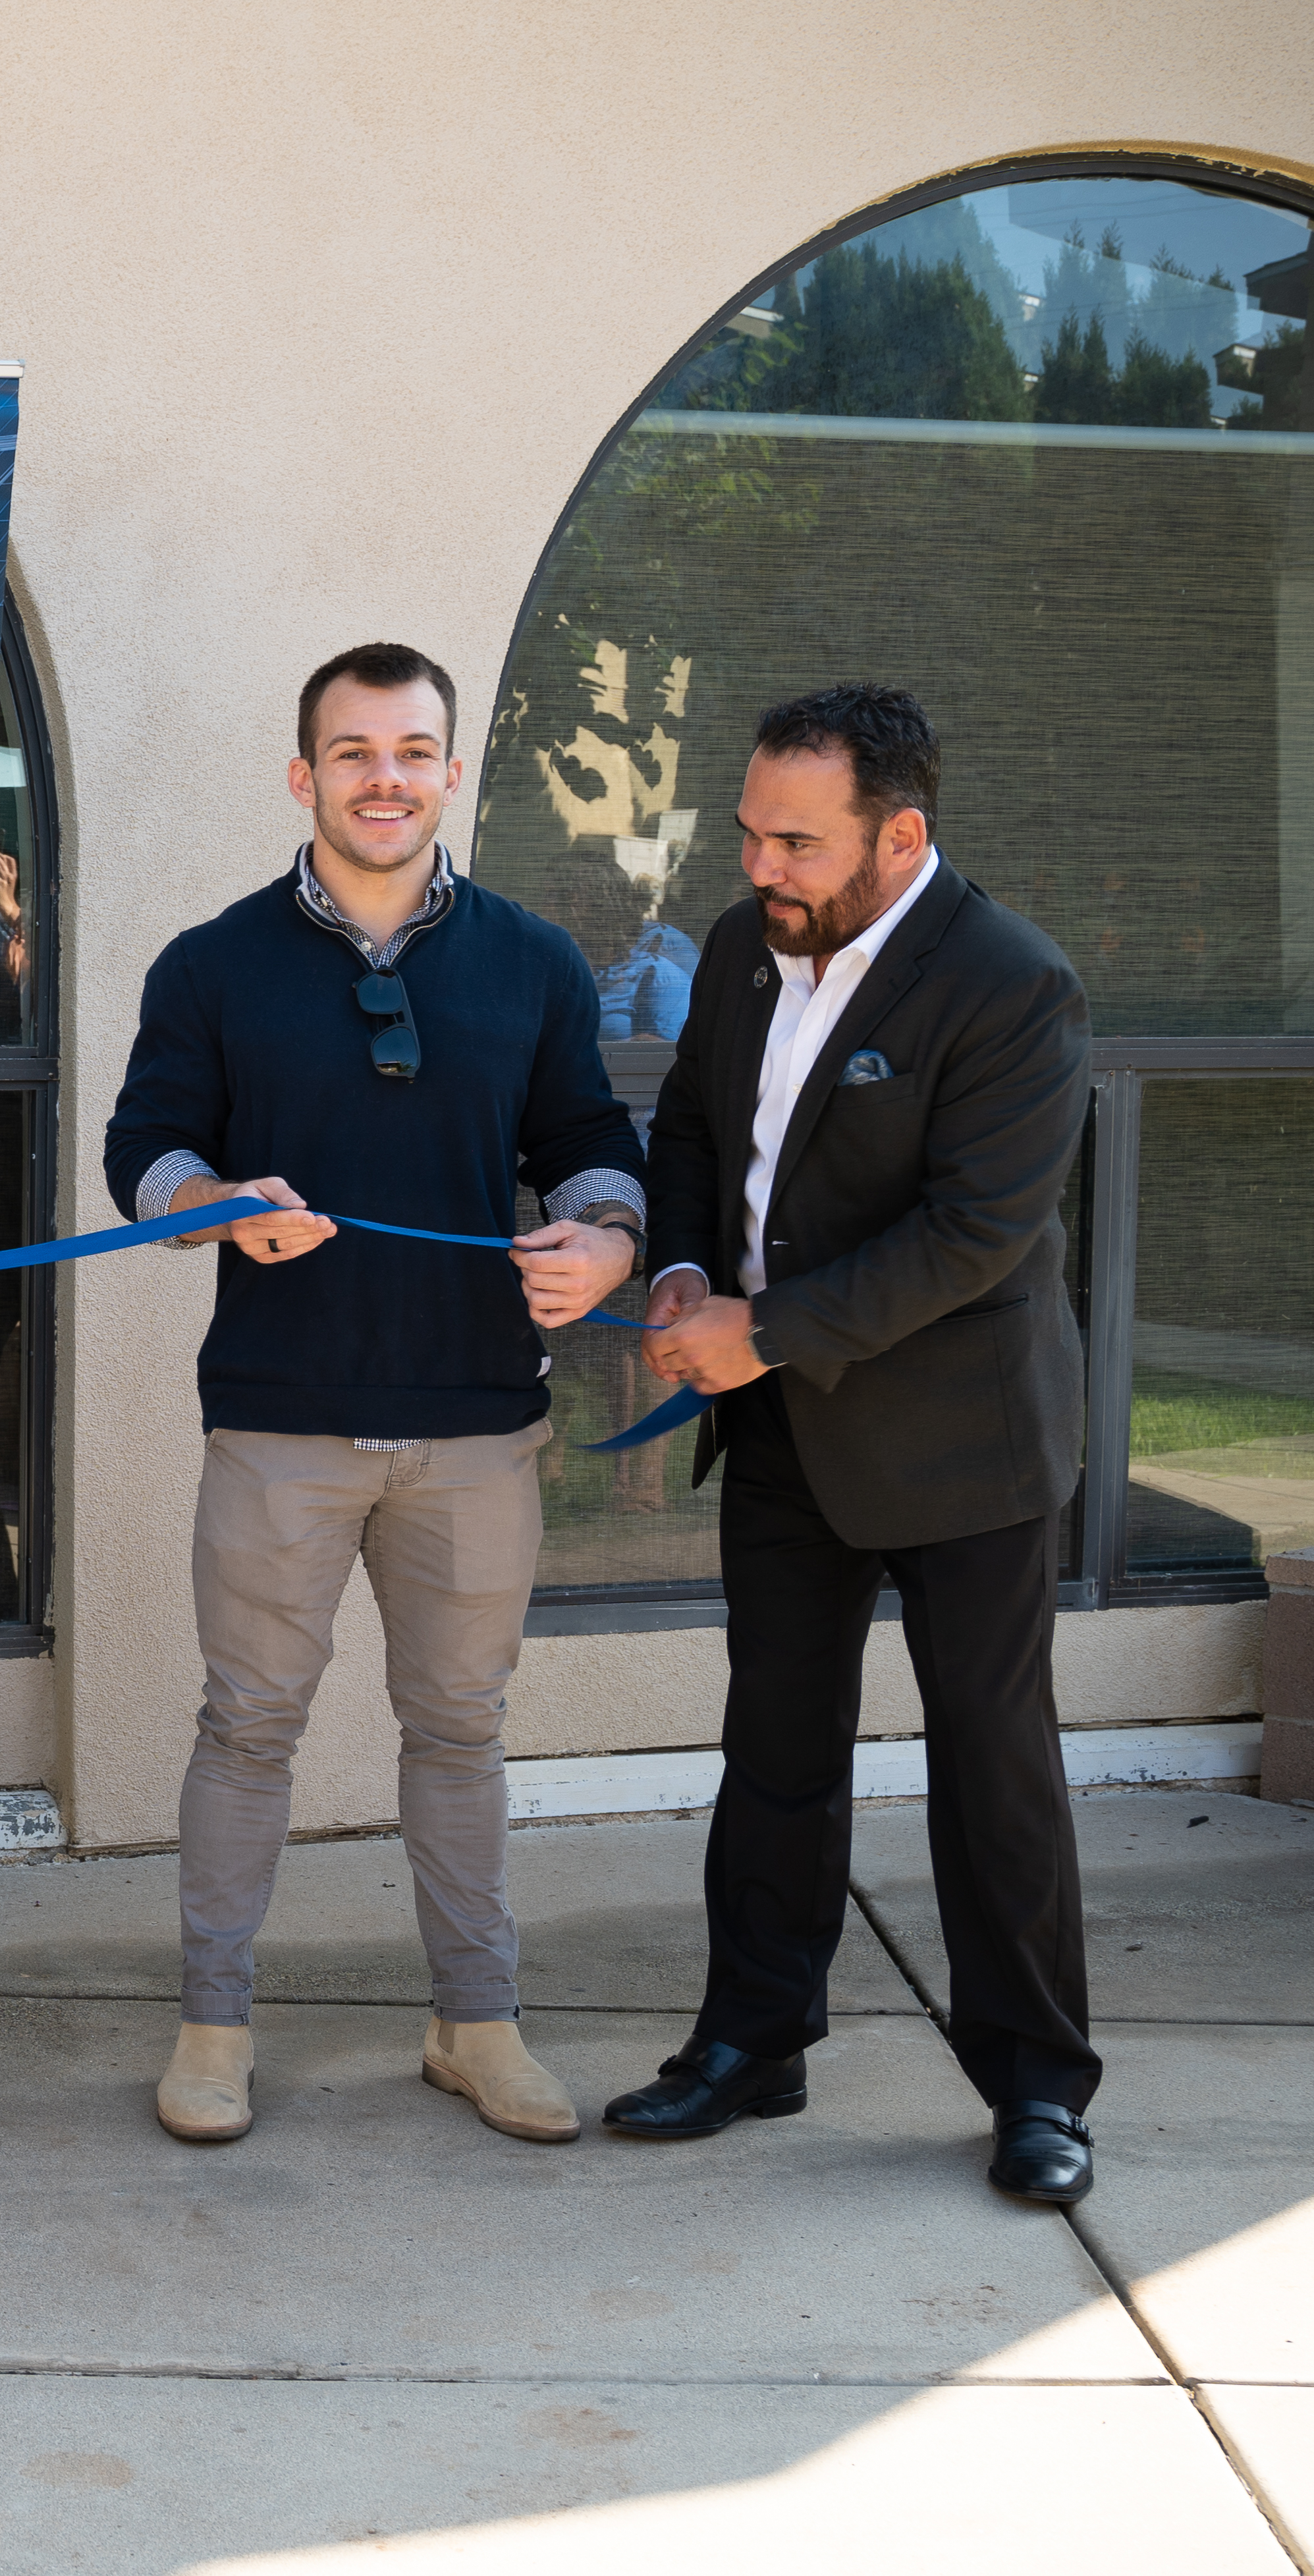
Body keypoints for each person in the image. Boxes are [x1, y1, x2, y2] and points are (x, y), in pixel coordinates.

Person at [100, 641, 646, 2151]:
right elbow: (139, 1149)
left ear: (451, 770)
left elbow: (595, 1134)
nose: (385, 776)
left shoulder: (533, 959)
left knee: (461, 1729)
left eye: (413, 749)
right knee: (249, 1729)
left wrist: (603, 1239)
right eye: (353, 751)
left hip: (478, 1425)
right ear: (304, 775)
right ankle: (214, 2027)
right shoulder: (210, 963)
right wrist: (213, 1200)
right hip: (280, 1423)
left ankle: (476, 2020)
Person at [611, 685, 1101, 2206]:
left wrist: (759, 1326)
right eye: (751, 828)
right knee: (774, 1751)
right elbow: (695, 1129)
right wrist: (687, 1269)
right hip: (783, 1439)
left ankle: (1035, 2086)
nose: (762, 861)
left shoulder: (1015, 984)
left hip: (967, 1449)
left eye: (796, 839)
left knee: (994, 1769)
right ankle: (754, 2039)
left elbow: (972, 1234)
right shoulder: (749, 942)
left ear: (902, 834)